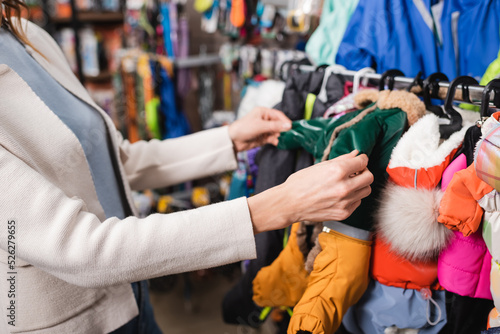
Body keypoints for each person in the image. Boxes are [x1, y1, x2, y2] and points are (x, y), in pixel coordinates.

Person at [0, 7, 374, 334]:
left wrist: (228, 138)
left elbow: (118, 160)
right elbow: (82, 250)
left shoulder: (27, 36)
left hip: (132, 299)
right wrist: (275, 207)